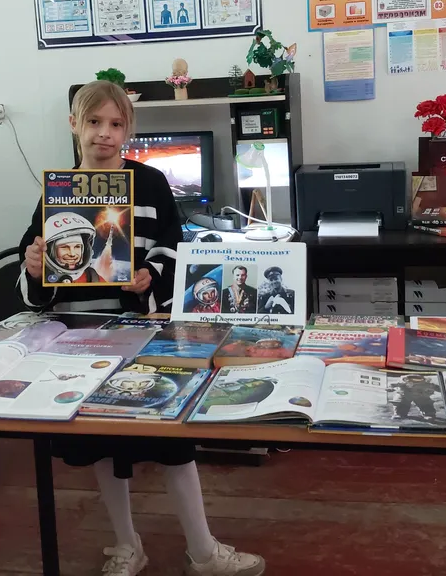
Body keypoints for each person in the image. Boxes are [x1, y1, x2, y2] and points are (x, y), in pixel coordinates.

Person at [17, 80, 263, 576]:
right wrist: (35, 265)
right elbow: (35, 273)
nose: (104, 133)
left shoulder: (150, 183)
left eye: (115, 124)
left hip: (145, 327)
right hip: (81, 334)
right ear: (74, 125)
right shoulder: (58, 189)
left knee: (173, 440)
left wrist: (151, 275)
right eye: (93, 122)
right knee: (101, 443)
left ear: (128, 131)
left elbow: (174, 249)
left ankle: (203, 550)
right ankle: (126, 544)